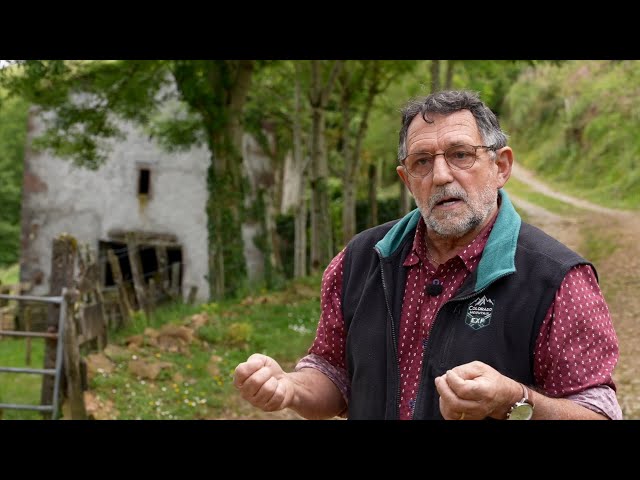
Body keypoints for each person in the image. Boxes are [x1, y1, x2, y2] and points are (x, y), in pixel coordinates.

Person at [234, 90, 622, 420]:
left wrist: (517, 400)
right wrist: (289, 387)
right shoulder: (359, 261)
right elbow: (333, 373)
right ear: (406, 179)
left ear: (500, 166)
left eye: (460, 155)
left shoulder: (557, 278)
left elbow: (597, 411)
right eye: (422, 161)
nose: (440, 176)